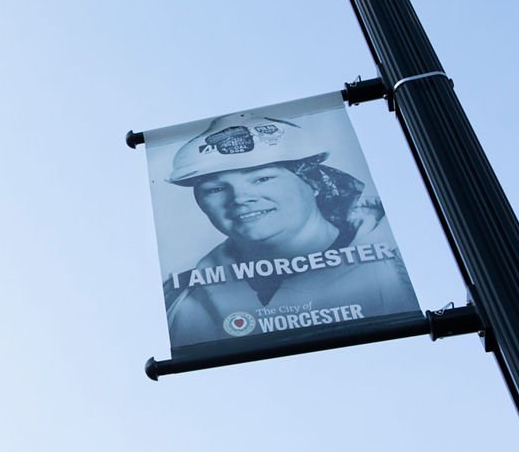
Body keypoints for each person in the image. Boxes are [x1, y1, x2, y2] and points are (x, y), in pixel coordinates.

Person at [162, 114, 419, 349]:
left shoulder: (405, 267)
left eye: (263, 178)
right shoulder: (180, 295)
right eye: (215, 189)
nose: (240, 198)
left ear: (315, 184)